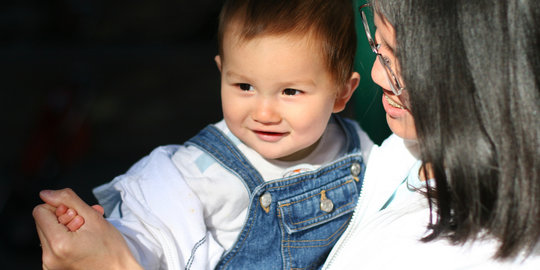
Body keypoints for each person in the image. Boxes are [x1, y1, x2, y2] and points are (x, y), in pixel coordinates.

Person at [34, 0, 375, 269]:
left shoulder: (357, 147)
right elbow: (154, 238)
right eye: (244, 86)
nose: (264, 113)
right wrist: (109, 238)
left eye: (290, 92)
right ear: (221, 72)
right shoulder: (198, 171)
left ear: (341, 94)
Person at [321, 0, 540, 269]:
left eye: (403, 59)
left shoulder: (473, 254)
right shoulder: (405, 150)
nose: (377, 74)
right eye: (379, 44)